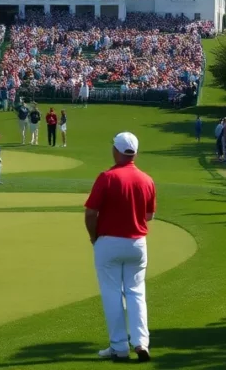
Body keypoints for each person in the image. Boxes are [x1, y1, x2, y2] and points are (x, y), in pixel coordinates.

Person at [84, 132, 155, 362]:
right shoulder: (146, 179)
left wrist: (94, 237)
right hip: (137, 243)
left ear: (117, 151)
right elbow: (149, 215)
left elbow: (91, 212)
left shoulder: (107, 177)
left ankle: (119, 347)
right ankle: (141, 342)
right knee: (136, 293)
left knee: (112, 294)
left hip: (109, 242)